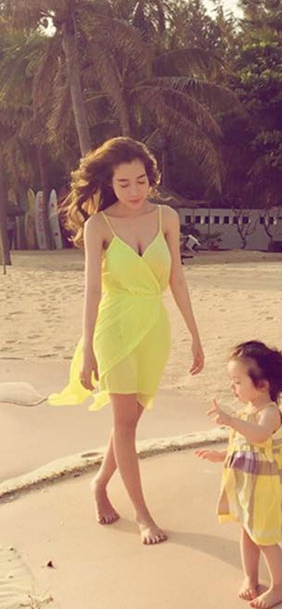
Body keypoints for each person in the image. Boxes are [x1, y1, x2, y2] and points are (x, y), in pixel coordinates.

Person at [48, 137, 204, 545]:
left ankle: (99, 483)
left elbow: (177, 279)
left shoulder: (166, 217)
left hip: (154, 326)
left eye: (141, 181)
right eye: (124, 183)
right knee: (124, 424)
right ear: (109, 182)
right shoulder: (98, 225)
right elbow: (92, 291)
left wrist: (194, 335)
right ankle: (142, 514)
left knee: (130, 421)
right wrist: (88, 350)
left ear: (151, 178)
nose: (134, 191)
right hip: (114, 327)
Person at [196, 340, 282, 609]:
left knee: (265, 538)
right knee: (247, 530)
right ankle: (250, 577)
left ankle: (281, 586)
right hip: (247, 485)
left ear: (262, 384)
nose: (233, 388)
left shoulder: (269, 413)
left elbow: (260, 436)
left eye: (238, 381)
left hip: (265, 487)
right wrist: (222, 455)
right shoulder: (247, 411)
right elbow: (243, 446)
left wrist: (230, 420)